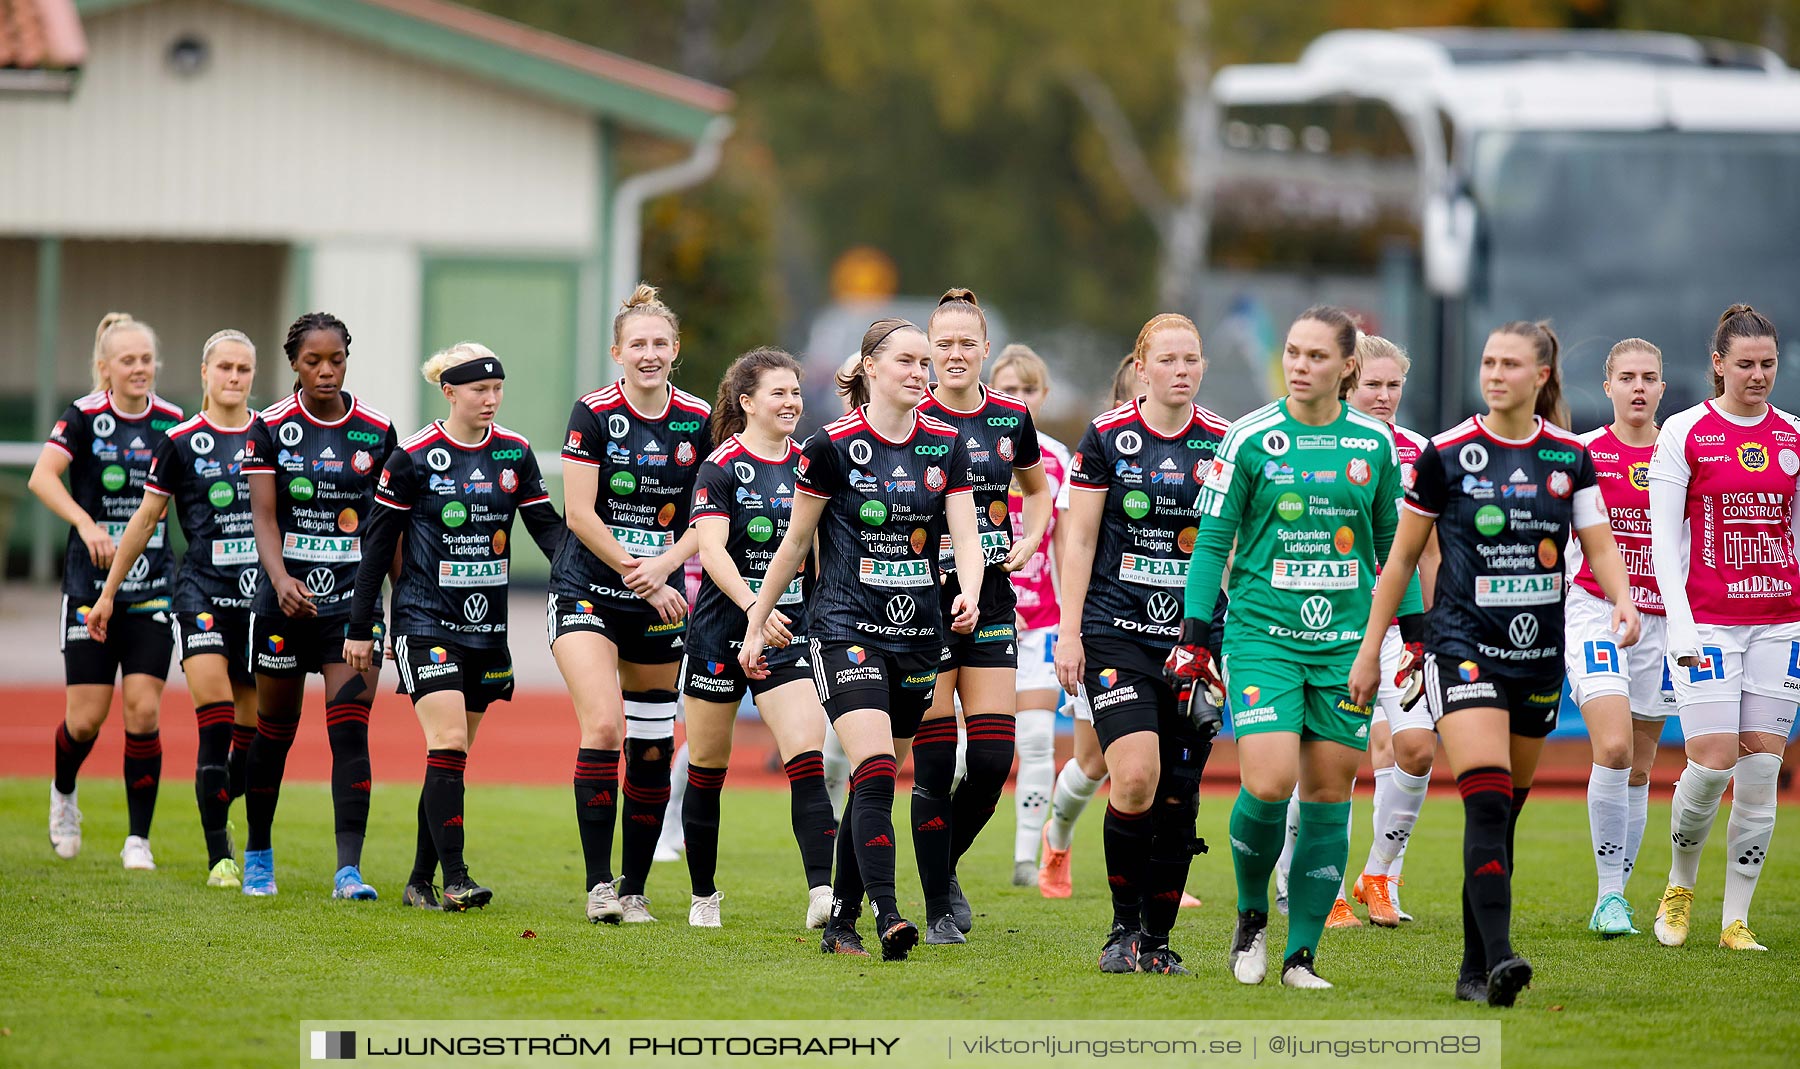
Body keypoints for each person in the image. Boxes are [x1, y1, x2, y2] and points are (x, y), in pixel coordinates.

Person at [1351, 319, 1640, 1006]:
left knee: (1505, 813)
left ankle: (1473, 965)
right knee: (1484, 797)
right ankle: (1503, 956)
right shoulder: (1446, 454)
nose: (1494, 373)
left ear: (1540, 376)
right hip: (1462, 648)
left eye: (1510, 363)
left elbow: (1598, 545)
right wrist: (1372, 647)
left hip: (1536, 654)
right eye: (1488, 360)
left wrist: (1623, 599)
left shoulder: (1571, 457)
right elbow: (1401, 558)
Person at [1169, 307, 1422, 989]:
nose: (1300, 364)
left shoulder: (1373, 444)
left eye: (1316, 355)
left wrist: (1416, 633)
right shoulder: (1251, 437)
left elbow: (1397, 549)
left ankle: (1300, 955)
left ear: (1347, 367)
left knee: (1329, 790)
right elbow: (1213, 542)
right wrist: (1196, 635)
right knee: (1270, 781)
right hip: (1262, 638)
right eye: (1292, 351)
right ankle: (1252, 914)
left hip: (1344, 645)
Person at [741, 317, 984, 962]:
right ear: (871, 368)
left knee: (879, 777)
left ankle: (841, 918)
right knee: (873, 769)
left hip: (917, 632)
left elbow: (966, 532)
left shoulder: (947, 445)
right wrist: (756, 620)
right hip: (844, 627)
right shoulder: (830, 446)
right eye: (906, 361)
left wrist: (969, 588)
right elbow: (795, 542)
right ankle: (889, 914)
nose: (920, 373)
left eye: (925, 364)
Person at [345, 343, 563, 911]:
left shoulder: (514, 455)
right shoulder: (412, 458)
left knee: (451, 756)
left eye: (497, 390)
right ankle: (458, 878)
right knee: (448, 742)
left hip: (486, 630)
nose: (490, 400)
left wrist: (612, 578)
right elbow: (376, 549)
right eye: (477, 391)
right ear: (449, 391)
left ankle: (419, 879)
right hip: (424, 621)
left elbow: (550, 533)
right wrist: (361, 626)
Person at [1054, 313, 1231, 976]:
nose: (1181, 370)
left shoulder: (1225, 441)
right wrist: (1070, 630)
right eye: (1168, 359)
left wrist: (1223, 640)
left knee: (1179, 796)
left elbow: (1234, 548)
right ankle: (1121, 931)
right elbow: (1078, 538)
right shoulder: (1107, 437)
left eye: (1192, 359)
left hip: (1194, 641)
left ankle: (1157, 940)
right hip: (1114, 632)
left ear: (1203, 367)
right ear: (1142, 365)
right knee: (1132, 777)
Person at [551, 284, 711, 924]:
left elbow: (710, 515)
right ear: (617, 351)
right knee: (604, 728)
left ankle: (635, 888)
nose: (649, 354)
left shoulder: (698, 420)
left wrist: (666, 567)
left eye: (660, 344)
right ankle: (598, 887)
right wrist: (635, 570)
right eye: (637, 344)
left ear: (676, 350)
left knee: (650, 744)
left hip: (661, 594)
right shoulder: (592, 413)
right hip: (589, 589)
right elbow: (579, 513)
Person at [1648, 304, 1800, 953]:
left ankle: (1736, 918)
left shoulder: (1794, 434)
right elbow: (1662, 542)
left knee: (1763, 766)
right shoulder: (1684, 432)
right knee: (1710, 765)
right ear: (1718, 364)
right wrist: (1678, 626)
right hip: (1707, 624)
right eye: (1746, 363)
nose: (1759, 374)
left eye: (1767, 363)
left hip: (1779, 623)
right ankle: (1680, 885)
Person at [86, 330, 262, 888]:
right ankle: (220, 858)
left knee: (252, 738)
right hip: (201, 599)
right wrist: (109, 593)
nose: (234, 378)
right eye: (225, 368)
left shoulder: (272, 436)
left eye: (244, 369)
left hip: (262, 604)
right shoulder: (182, 440)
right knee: (213, 724)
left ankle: (217, 799)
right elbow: (142, 522)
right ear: (205, 371)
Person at [679, 347, 839, 928]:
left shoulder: (813, 461)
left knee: (806, 757)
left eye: (796, 391)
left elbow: (821, 551)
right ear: (746, 402)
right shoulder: (720, 466)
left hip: (790, 634)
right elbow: (712, 549)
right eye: (779, 392)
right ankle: (703, 896)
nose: (792, 402)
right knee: (708, 767)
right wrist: (753, 608)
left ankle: (824, 893)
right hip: (723, 630)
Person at [912, 289, 1052, 943]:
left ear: (986, 350)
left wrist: (1030, 534)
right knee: (936, 766)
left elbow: (1039, 487)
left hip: (991, 597)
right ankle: (939, 904)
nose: (956, 353)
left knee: (994, 758)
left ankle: (941, 867)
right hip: (920, 604)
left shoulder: (1009, 418)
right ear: (930, 351)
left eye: (968, 342)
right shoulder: (910, 417)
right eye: (945, 344)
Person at [241, 312, 397, 898]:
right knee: (274, 730)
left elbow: (390, 527)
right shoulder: (270, 428)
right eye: (314, 361)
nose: (326, 371)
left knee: (349, 733)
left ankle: (348, 870)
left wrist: (397, 602)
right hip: (285, 605)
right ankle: (258, 851)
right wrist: (279, 580)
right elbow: (262, 514)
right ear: (295, 365)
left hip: (351, 613)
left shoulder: (377, 431)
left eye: (336, 359)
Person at [30, 313, 183, 868]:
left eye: (146, 359)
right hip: (89, 588)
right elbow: (43, 476)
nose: (140, 368)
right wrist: (86, 523)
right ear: (105, 368)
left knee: (143, 711)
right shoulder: (83, 417)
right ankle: (64, 792)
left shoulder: (172, 421)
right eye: (128, 360)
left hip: (152, 587)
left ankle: (137, 839)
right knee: (86, 719)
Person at [1564, 338, 1673, 937]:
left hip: (1665, 621)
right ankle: (1609, 897)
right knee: (1612, 747)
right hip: (1594, 611)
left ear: (1662, 388)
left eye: (1648, 377)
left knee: (1640, 765)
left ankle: (1617, 899)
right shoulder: (1583, 454)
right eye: (1626, 377)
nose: (1638, 387)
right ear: (1607, 387)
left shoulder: (1682, 456)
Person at [1344, 335, 1440, 928]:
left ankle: (1380, 873)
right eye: (1371, 385)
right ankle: (1316, 886)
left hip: (1404, 629)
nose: (1383, 396)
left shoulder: (1423, 452)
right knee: (1328, 762)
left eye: (1393, 385)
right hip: (1336, 625)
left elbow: (1427, 555)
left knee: (1416, 749)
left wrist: (1428, 631)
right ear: (1348, 384)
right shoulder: (1324, 447)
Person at [1039, 353, 1142, 899]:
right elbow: (1069, 545)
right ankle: (1057, 840)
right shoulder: (1100, 453)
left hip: (1163, 629)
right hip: (1102, 624)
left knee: (1163, 763)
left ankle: (1160, 876)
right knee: (1093, 759)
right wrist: (1068, 628)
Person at [988, 345, 1072, 887]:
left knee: (1038, 736)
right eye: (1007, 389)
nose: (1017, 399)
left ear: (1042, 396)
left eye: (1027, 390)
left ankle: (1025, 856)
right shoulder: (968, 444)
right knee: (972, 749)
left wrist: (1069, 619)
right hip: (978, 613)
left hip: (1041, 617)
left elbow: (1068, 544)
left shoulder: (1056, 458)